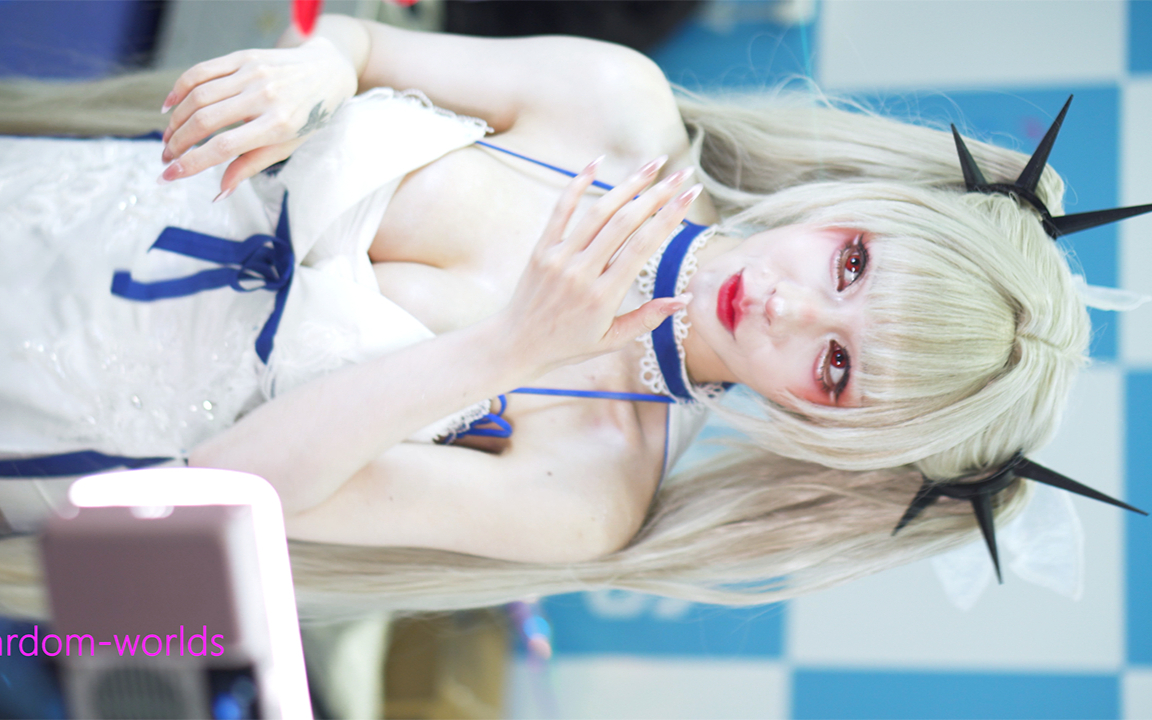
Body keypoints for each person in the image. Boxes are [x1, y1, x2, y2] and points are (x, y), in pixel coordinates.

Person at [0, 14, 1133, 619]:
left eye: (836, 366)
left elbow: (223, 492)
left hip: (42, 420)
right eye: (851, 262)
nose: (789, 306)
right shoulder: (615, 103)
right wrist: (316, 77)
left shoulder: (593, 491)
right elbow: (360, 41)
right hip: (54, 199)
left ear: (834, 435)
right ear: (866, 206)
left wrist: (506, 350)